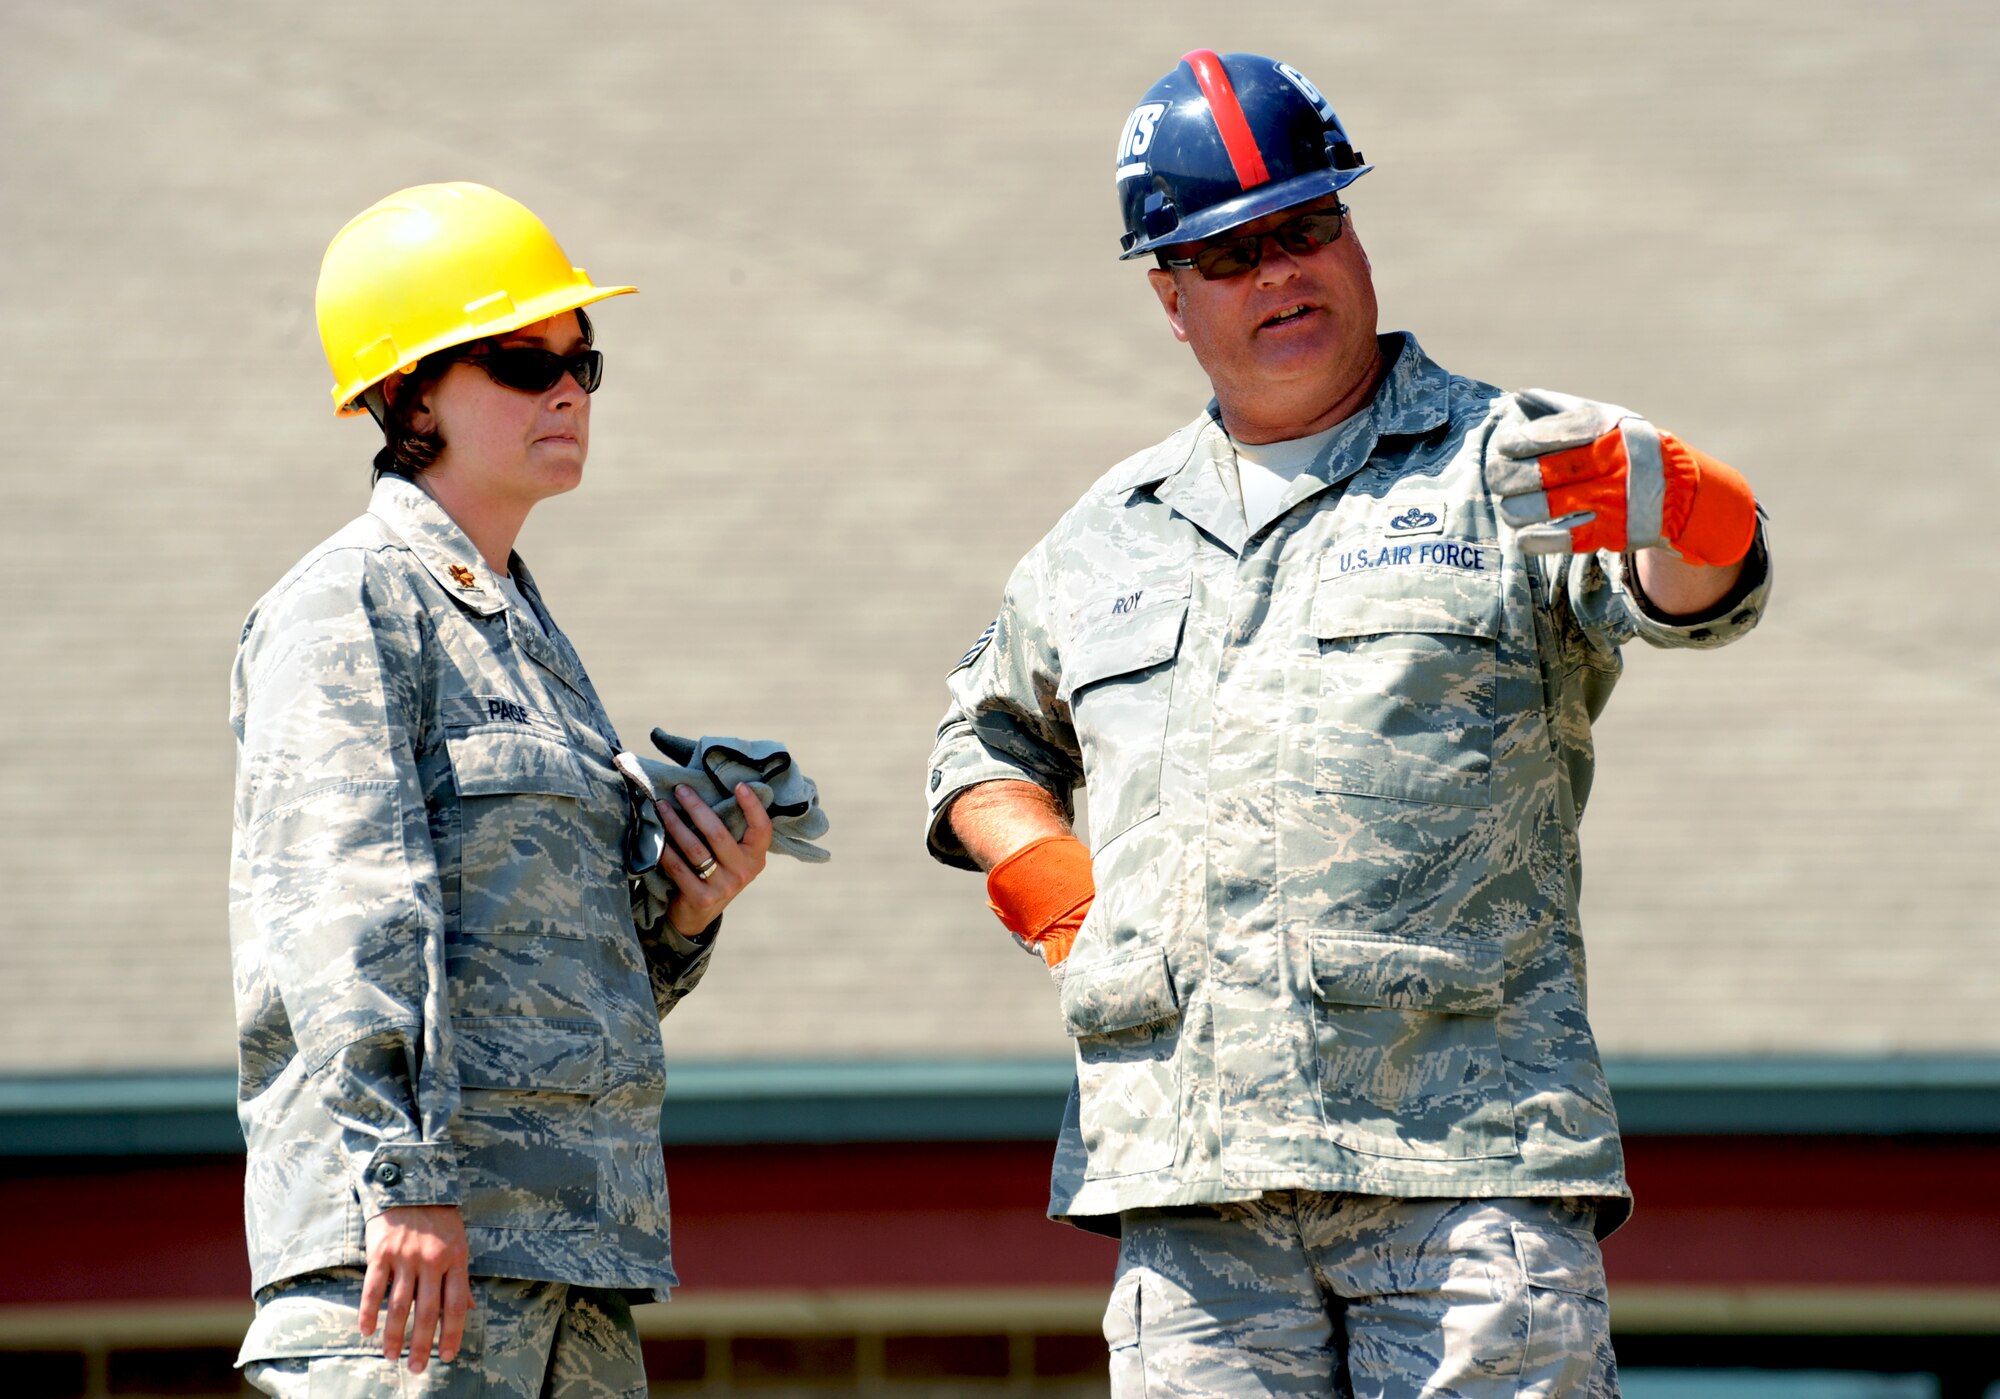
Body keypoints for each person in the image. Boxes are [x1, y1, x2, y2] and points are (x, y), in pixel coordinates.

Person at [923, 52, 1770, 1398]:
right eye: (1231, 253)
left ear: (1354, 234)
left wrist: (1700, 516)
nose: (1281, 273)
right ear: (1170, 295)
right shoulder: (1105, 538)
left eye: (1308, 228)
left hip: (1466, 1166)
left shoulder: (1509, 462)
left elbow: (1682, 596)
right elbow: (981, 744)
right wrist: (1052, 889)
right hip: (1195, 1187)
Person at [229, 182, 773, 1396]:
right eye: (522, 364)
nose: (569, 389)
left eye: (583, 361)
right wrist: (408, 1178)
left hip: (566, 1258)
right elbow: (344, 909)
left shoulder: (525, 635)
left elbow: (553, 979)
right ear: (408, 391)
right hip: (409, 1268)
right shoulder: (349, 606)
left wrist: (685, 906)